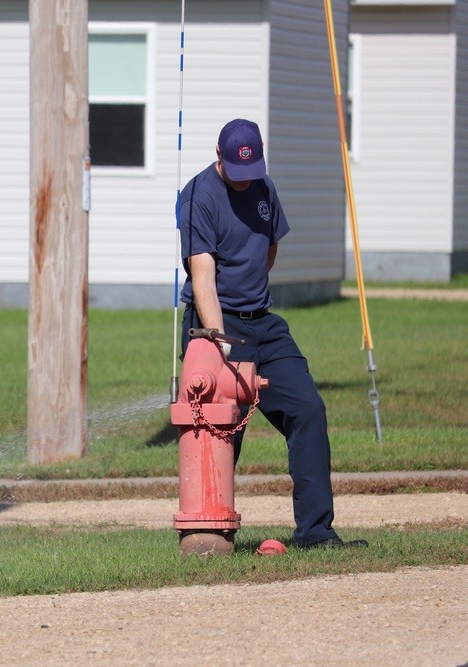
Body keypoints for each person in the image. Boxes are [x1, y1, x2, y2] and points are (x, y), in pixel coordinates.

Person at [177, 118, 367, 550]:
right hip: (216, 325)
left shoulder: (263, 187)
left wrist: (251, 302)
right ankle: (209, 531)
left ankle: (316, 532)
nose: (246, 182)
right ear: (218, 155)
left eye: (252, 172)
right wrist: (218, 343)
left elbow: (269, 251)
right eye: (237, 173)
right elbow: (203, 279)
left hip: (263, 322)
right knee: (223, 429)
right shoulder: (197, 197)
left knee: (308, 410)